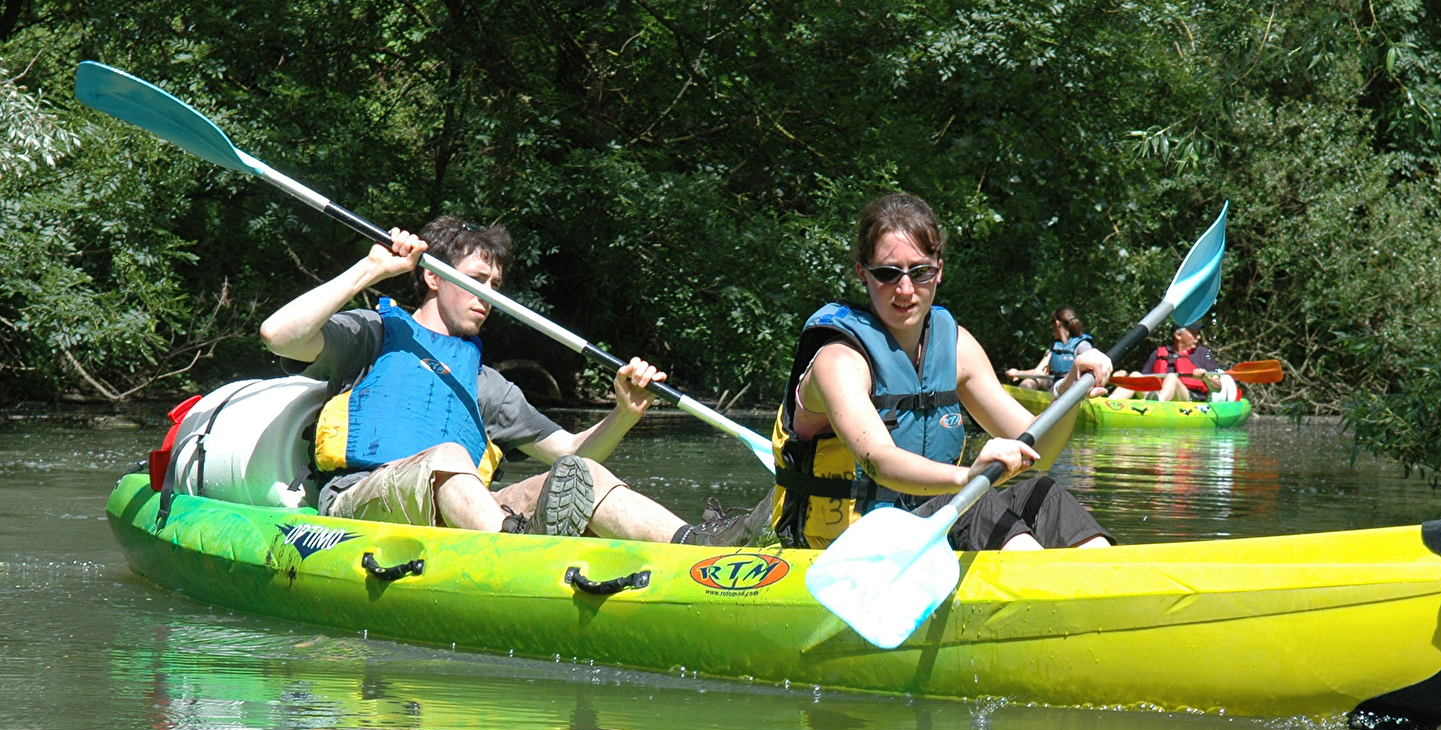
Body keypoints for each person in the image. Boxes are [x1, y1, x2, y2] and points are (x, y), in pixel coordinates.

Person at [259, 215, 730, 544]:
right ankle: (519, 547)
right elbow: (278, 335)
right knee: (449, 455)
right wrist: (371, 268)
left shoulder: (485, 385)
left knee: (582, 475)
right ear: (434, 279)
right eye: (476, 279)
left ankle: (701, 546)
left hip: (468, 514)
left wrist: (624, 413)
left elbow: (570, 451)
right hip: (361, 500)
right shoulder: (373, 333)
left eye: (495, 286)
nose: (488, 296)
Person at [769, 192, 1115, 552]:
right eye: (888, 274)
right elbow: (879, 461)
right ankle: (1037, 587)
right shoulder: (839, 362)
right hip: (847, 546)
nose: (905, 289)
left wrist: (1069, 393)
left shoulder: (956, 348)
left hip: (926, 525)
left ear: (939, 272)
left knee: (1044, 494)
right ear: (864, 274)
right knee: (971, 501)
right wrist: (965, 477)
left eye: (920, 272)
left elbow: (1040, 447)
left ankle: (1102, 581)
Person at [1109, 324, 1236, 403]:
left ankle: (1157, 403)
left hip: (1189, 399)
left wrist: (1206, 378)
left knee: (1171, 378)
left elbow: (1217, 388)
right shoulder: (1158, 353)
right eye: (1193, 333)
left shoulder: (1204, 353)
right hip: (1155, 394)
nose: (1198, 337)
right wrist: (1122, 379)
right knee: (1135, 375)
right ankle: (1110, 403)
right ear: (1178, 335)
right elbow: (1143, 381)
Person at [1005, 307, 1093, 392]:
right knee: (1033, 379)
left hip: (1070, 389)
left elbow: (1089, 375)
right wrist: (1017, 373)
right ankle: (1017, 398)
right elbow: (1038, 371)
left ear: (1056, 323)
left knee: (1059, 387)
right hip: (1053, 385)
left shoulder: (1082, 345)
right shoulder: (1054, 347)